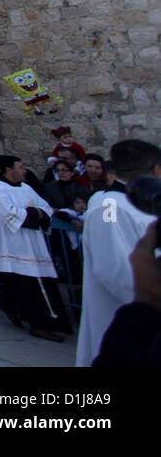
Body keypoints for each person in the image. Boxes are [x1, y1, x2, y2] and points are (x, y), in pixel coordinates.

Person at [76, 140, 161, 366]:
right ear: (156, 170)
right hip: (127, 323)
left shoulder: (143, 205)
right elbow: (114, 271)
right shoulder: (109, 208)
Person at [0, 155, 72, 341]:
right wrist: (37, 213)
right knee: (27, 285)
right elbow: (8, 214)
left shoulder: (26, 188)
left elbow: (46, 208)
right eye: (20, 166)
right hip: (14, 243)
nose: (24, 170)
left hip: (33, 241)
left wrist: (39, 213)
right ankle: (39, 324)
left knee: (37, 282)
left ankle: (19, 310)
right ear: (9, 170)